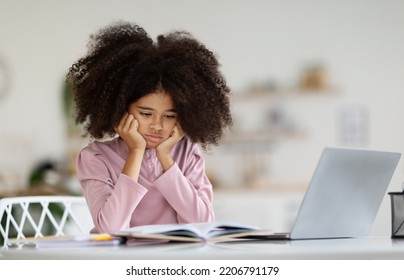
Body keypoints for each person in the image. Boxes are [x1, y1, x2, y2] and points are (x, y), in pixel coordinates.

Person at [66, 21, 232, 233]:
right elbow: (111, 229)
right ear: (119, 108)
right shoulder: (95, 157)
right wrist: (135, 152)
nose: (157, 126)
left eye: (169, 116)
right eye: (145, 114)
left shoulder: (187, 152)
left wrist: (165, 158)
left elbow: (203, 223)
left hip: (173, 261)